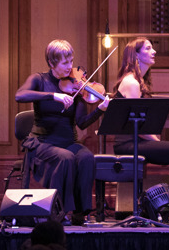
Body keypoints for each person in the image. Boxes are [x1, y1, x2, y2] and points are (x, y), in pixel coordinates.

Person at [15, 39, 110, 225]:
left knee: (86, 157)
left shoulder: (76, 86)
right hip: (42, 143)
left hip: (68, 142)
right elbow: (20, 95)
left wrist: (100, 109)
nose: (70, 67)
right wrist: (53, 95)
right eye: (65, 62)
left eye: (71, 61)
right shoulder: (39, 80)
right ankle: (58, 211)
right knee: (65, 158)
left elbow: (82, 123)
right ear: (51, 62)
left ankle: (80, 213)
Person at [112, 37, 169, 189]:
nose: (154, 51)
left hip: (135, 142)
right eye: (148, 48)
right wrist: (157, 143)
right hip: (128, 144)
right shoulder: (132, 83)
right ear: (136, 55)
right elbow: (137, 126)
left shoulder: (136, 81)